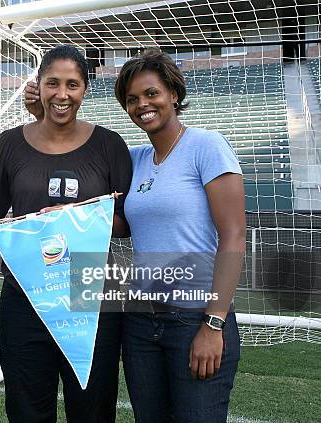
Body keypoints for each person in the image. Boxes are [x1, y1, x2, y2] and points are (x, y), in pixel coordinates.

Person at [0, 45, 132, 422]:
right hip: (26, 297)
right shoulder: (10, 143)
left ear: (85, 89)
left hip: (91, 299)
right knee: (27, 410)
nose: (62, 94)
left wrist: (76, 218)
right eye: (53, 83)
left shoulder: (109, 145)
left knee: (92, 410)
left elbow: (127, 222)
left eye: (72, 84)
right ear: (39, 86)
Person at [114, 49, 246, 422]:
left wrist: (213, 323)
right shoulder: (135, 158)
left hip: (195, 318)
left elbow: (234, 235)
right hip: (140, 322)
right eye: (132, 99)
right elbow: (123, 225)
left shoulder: (207, 146)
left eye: (151, 93)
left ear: (173, 93)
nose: (143, 104)